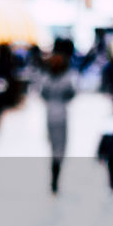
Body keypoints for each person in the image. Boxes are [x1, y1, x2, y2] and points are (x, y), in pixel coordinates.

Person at [40, 39, 76, 194]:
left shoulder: (47, 78)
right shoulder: (66, 78)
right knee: (59, 149)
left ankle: (54, 175)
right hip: (60, 115)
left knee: (55, 147)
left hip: (51, 114)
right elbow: (72, 94)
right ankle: (55, 175)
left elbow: (43, 94)